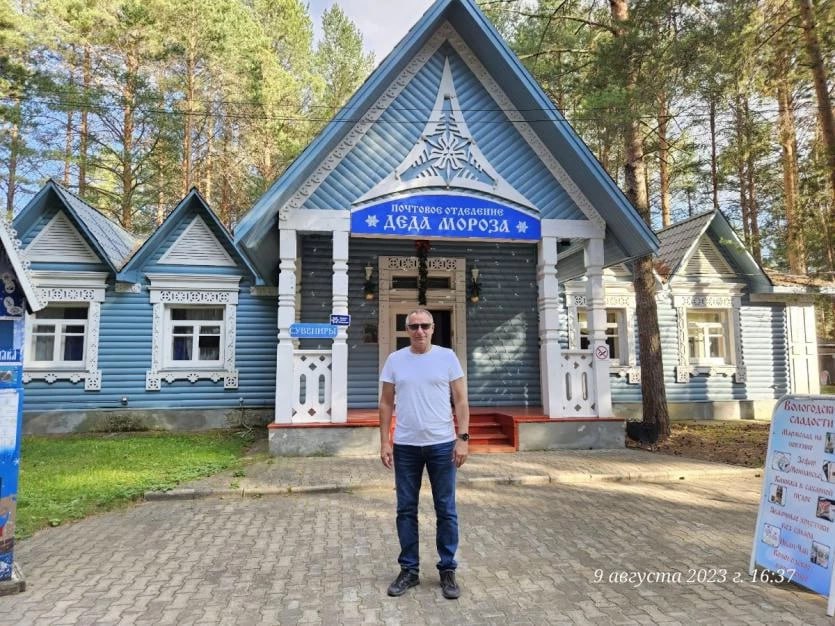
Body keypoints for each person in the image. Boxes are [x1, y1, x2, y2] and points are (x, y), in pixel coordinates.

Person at [379, 308, 470, 600]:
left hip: (443, 444)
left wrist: (463, 438)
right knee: (406, 509)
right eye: (414, 326)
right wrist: (385, 441)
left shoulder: (447, 357)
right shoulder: (395, 360)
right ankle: (409, 570)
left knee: (446, 509)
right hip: (406, 446)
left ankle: (447, 570)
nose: (419, 330)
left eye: (425, 326)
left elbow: (460, 399)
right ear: (407, 329)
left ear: (433, 329)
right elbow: (385, 403)